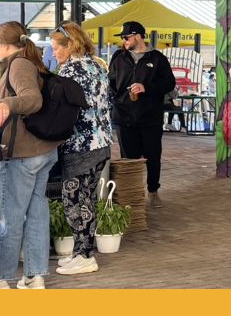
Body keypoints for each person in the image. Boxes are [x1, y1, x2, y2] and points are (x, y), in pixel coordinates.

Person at [0, 21, 63, 290]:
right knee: (36, 213)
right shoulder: (29, 62)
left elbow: (32, 99)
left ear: (4, 45)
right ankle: (34, 276)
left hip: (22, 154)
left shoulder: (19, 64)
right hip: (41, 151)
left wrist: (7, 103)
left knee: (9, 218)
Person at [49, 21, 113, 275]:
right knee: (85, 199)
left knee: (75, 201)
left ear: (70, 44)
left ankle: (85, 256)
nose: (54, 53)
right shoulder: (97, 66)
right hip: (101, 143)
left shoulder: (71, 72)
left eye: (56, 48)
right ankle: (81, 251)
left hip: (80, 146)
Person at [108, 21, 176, 208]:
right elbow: (111, 83)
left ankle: (153, 191)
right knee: (128, 159)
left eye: (126, 37)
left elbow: (169, 83)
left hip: (150, 118)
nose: (123, 41)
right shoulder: (119, 57)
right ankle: (131, 196)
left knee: (153, 157)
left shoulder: (157, 58)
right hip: (123, 117)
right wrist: (119, 101)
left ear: (138, 36)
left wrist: (147, 88)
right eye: (122, 37)